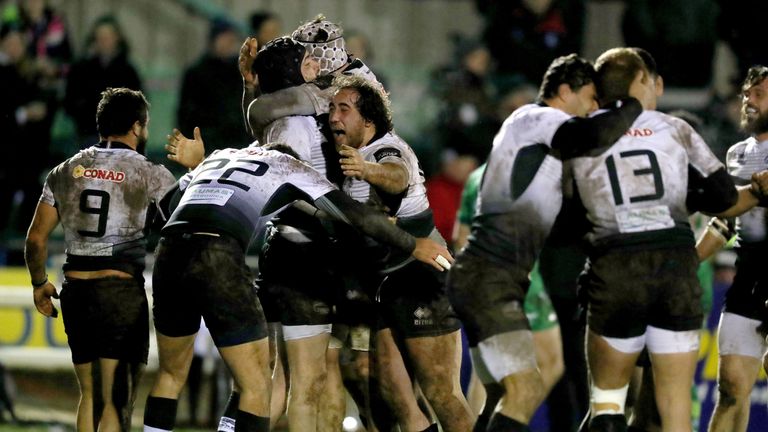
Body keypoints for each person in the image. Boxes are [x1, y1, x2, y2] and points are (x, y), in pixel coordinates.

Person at [142, 135, 453, 432]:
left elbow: (164, 211)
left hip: (168, 252)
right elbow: (352, 214)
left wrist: (194, 168)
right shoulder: (290, 167)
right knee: (258, 384)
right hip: (220, 254)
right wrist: (412, 244)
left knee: (170, 375)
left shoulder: (220, 157)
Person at [446, 53, 643, 432]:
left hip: (490, 277)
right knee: (526, 389)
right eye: (589, 98)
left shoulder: (540, 148)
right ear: (565, 91)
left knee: (500, 398)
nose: (593, 108)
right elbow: (592, 136)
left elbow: (564, 227)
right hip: (491, 277)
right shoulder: (537, 118)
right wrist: (631, 103)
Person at [569, 48, 760, 432]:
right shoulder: (676, 129)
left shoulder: (579, 133)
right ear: (641, 81)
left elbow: (566, 212)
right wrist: (756, 192)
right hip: (673, 267)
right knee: (673, 407)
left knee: (608, 403)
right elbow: (723, 198)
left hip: (616, 269)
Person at [24, 87, 176, 432]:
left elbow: (35, 239)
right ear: (137, 127)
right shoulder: (150, 172)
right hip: (120, 293)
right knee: (116, 401)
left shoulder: (65, 170)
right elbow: (182, 223)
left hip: (76, 291)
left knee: (89, 396)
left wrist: (38, 283)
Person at [329, 73, 473, 432]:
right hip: (386, 285)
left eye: (343, 109)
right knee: (394, 395)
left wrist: (368, 170)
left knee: (443, 395)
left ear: (369, 120)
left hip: (421, 277)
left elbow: (396, 176)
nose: (333, 117)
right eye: (332, 108)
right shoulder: (351, 158)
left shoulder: (386, 150)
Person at [454, 163, 565, 431]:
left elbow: (460, 236)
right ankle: (509, 419)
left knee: (497, 379)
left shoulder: (477, 177)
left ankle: (507, 418)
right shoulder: (531, 176)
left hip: (492, 279)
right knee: (504, 377)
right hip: (513, 280)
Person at [701, 65, 768, 432]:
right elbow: (727, 219)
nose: (749, 101)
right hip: (748, 277)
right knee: (731, 388)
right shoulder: (737, 154)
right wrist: (692, 257)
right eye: (746, 94)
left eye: (759, 94)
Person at [64, 15, 142, 147]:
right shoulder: (81, 69)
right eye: (100, 38)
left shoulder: (128, 71)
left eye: (108, 37)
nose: (104, 42)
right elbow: (70, 101)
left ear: (117, 39)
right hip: (88, 134)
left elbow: (139, 105)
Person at [178, 17, 250, 154]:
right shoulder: (197, 73)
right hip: (209, 143)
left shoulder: (239, 71)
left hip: (238, 143)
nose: (229, 44)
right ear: (214, 40)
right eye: (225, 39)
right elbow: (187, 114)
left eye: (231, 40)